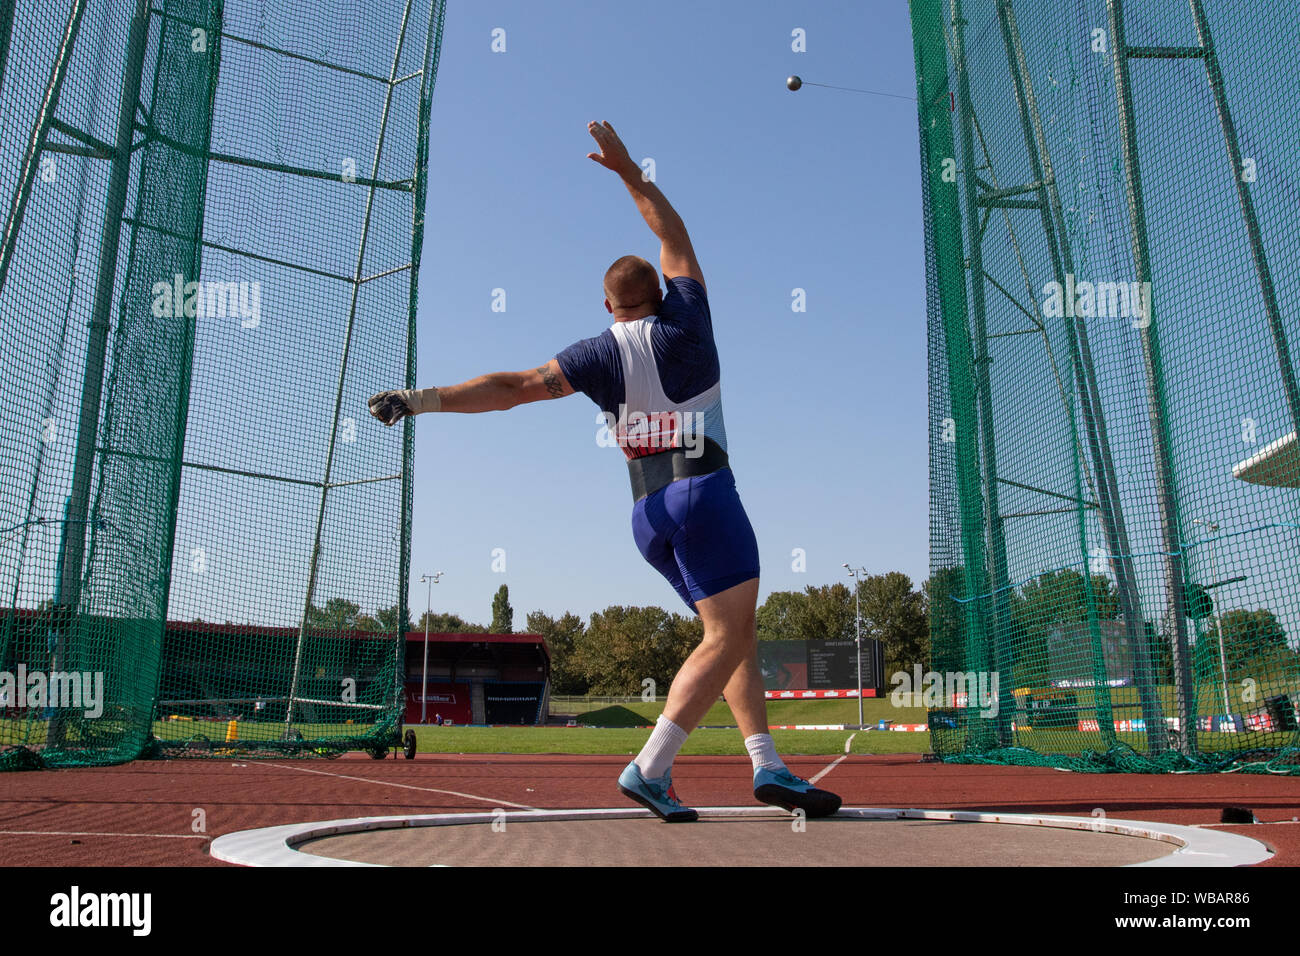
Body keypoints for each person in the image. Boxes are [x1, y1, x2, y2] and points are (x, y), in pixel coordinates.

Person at [369, 121, 840, 823]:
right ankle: (651, 769)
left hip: (647, 515)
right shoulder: (691, 322)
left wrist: (419, 400)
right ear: (665, 290)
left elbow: (512, 386)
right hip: (705, 492)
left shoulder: (591, 355)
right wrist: (628, 173)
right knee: (728, 633)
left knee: (728, 632)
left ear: (607, 306)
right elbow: (672, 230)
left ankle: (768, 764)